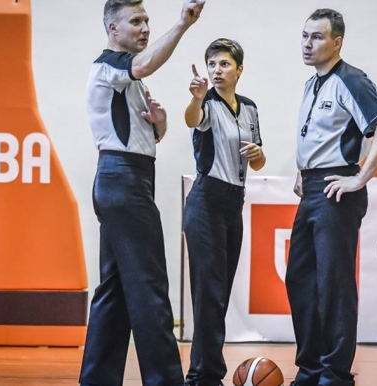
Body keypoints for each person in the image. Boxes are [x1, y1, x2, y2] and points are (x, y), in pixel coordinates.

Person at [79, 1, 206, 386]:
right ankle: (166, 380)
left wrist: (160, 125)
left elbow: (141, 139)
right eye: (136, 21)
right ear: (113, 29)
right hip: (124, 183)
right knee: (150, 286)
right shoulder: (109, 65)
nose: (145, 28)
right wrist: (182, 25)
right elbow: (145, 64)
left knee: (115, 289)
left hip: (123, 179)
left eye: (147, 20)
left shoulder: (127, 79)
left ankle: (98, 379)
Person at [286, 9, 377, 386]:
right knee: (299, 278)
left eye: (316, 37)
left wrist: (360, 178)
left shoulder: (350, 79)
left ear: (337, 42)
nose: (307, 43)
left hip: (338, 189)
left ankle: (334, 374)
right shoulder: (311, 83)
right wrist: (303, 171)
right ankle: (312, 366)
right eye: (304, 36)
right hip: (313, 188)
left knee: (333, 284)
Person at [182, 38, 266, 386]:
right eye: (212, 63)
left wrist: (257, 154)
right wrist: (196, 96)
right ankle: (203, 376)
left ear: (239, 70)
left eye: (224, 64)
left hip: (235, 203)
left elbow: (260, 161)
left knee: (219, 294)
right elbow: (191, 119)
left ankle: (206, 372)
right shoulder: (206, 104)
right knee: (210, 295)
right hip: (206, 202)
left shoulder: (249, 108)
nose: (217, 70)